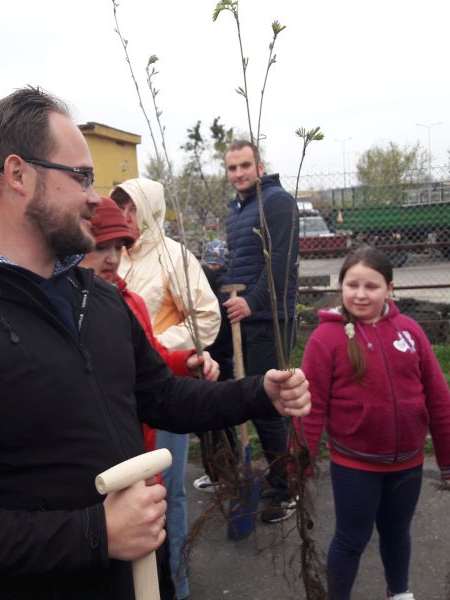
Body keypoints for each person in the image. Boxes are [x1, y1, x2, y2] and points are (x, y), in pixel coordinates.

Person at [0, 87, 311, 600]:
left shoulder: (96, 299)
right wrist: (95, 534)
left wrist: (259, 393)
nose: (97, 197)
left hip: (139, 581)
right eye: (81, 176)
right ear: (18, 175)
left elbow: (161, 397)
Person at [300, 245, 450, 600]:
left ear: (390, 288)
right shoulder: (325, 339)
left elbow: (437, 396)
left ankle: (400, 591)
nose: (361, 294)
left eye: (371, 286)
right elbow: (310, 407)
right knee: (351, 538)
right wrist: (300, 461)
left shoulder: (410, 332)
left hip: (408, 462)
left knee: (397, 531)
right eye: (352, 285)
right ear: (341, 287)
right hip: (355, 464)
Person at [111, 177, 221, 599]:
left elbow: (206, 319)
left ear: (151, 209)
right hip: (120, 393)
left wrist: (153, 352)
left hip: (163, 388)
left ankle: (175, 580)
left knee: (167, 491)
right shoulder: (112, 257)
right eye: (117, 205)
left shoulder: (174, 257)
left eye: (131, 207)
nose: (123, 215)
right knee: (126, 488)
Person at [79, 198, 220, 456]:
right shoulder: (66, 306)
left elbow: (148, 358)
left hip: (141, 431)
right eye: (100, 247)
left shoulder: (132, 301)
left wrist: (184, 362)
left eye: (118, 247)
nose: (112, 259)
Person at [223, 139, 300, 523]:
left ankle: (288, 490)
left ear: (260, 165)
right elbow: (242, 261)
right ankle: (277, 475)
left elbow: (281, 262)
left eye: (244, 165)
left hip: (272, 320)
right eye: (232, 168)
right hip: (246, 322)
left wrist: (252, 301)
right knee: (256, 400)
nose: (238, 173)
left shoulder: (277, 202)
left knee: (272, 406)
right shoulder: (237, 209)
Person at [193, 239, 238, 493]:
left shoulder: (204, 284)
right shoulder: (228, 287)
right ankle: (227, 467)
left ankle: (219, 472)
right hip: (224, 358)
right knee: (222, 415)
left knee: (208, 418)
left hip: (209, 359)